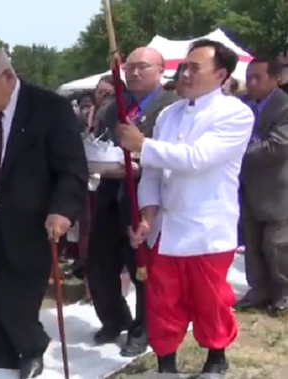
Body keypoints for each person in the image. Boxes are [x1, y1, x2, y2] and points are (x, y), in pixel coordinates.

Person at [121, 39, 254, 375]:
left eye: (195, 67)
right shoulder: (169, 114)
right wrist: (147, 212)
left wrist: (143, 144)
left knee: (210, 301)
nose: (185, 73)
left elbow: (197, 159)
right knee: (162, 301)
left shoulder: (235, 113)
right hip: (165, 230)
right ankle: (167, 361)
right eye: (184, 67)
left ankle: (215, 356)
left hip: (205, 228)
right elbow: (152, 170)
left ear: (221, 74)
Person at [0, 49, 88, 378]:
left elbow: (72, 169)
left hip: (30, 223)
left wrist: (62, 210)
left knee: (17, 300)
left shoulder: (49, 108)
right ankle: (0, 354)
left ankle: (31, 349)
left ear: (9, 77)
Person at [86, 46, 178, 357]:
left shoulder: (172, 107)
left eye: (143, 67)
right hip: (109, 190)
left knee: (140, 266)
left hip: (146, 194)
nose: (135, 73)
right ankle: (114, 318)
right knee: (98, 261)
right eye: (130, 67)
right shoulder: (113, 107)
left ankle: (143, 327)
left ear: (160, 70)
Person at [237, 57, 288, 315]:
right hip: (246, 187)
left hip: (277, 188)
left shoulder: (285, 106)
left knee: (277, 245)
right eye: (249, 77)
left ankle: (283, 294)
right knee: (252, 243)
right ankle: (259, 290)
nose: (251, 83)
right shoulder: (241, 105)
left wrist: (235, 150)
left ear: (276, 78)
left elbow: (278, 146)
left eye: (258, 77)